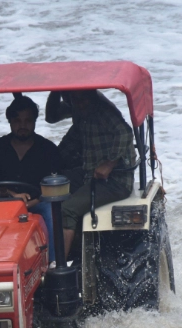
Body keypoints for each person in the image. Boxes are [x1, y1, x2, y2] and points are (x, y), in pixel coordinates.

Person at [50, 90, 135, 257]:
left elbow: (125, 132)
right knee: (50, 185)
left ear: (92, 97)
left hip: (114, 181)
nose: (80, 103)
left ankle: (57, 265)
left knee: (67, 210)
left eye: (83, 99)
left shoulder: (103, 111)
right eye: (75, 99)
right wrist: (55, 91)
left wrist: (109, 164)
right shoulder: (80, 111)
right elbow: (52, 117)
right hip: (88, 173)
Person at [0, 95, 60, 261]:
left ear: (35, 121)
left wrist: (34, 201)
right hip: (1, 203)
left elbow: (53, 185)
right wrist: (11, 195)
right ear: (9, 121)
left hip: (37, 204)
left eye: (28, 121)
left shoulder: (48, 149)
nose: (22, 126)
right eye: (17, 121)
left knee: (52, 213)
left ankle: (54, 264)